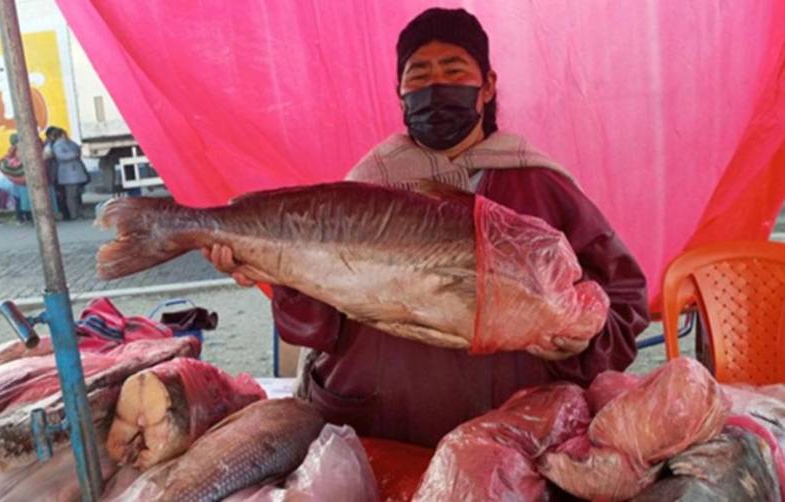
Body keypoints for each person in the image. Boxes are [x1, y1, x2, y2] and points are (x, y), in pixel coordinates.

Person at [206, 8, 650, 447]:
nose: (436, 87)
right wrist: (279, 275)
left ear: (487, 85)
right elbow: (319, 326)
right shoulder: (364, 188)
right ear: (400, 93)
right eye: (418, 75)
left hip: (506, 444)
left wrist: (578, 345)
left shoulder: (541, 184)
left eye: (454, 70)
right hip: (371, 431)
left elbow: (624, 301)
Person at [52, 128, 90, 220]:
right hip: (69, 173)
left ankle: (78, 213)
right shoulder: (59, 144)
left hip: (73, 172)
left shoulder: (68, 142)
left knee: (76, 195)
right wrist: (73, 154)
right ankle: (74, 214)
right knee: (72, 195)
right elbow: (60, 155)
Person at [0, 133, 32, 224]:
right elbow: (21, 159)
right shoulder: (18, 149)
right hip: (20, 179)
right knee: (23, 198)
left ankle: (20, 218)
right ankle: (24, 217)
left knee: (18, 198)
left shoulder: (11, 150)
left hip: (15, 179)